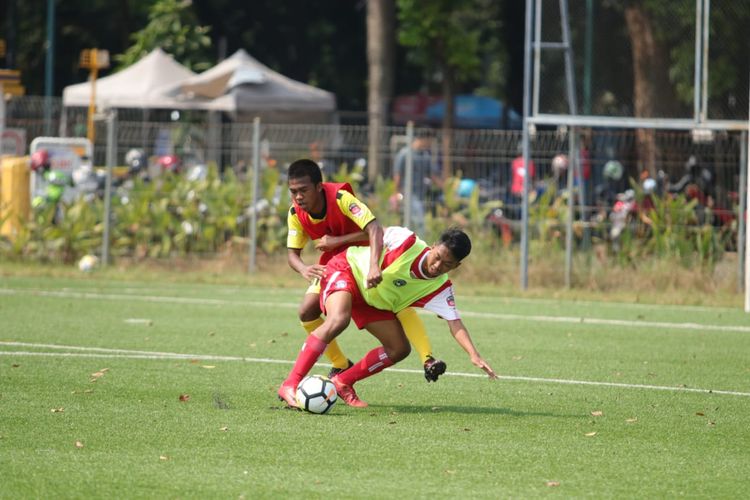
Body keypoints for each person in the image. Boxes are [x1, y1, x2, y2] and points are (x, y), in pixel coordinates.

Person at [278, 226, 498, 409]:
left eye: (447, 264)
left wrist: (473, 355)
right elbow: (372, 233)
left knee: (399, 349)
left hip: (371, 301)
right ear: (432, 247)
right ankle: (291, 384)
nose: (437, 266)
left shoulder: (441, 288)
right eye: (437, 257)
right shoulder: (406, 241)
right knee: (339, 320)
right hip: (348, 269)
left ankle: (342, 382)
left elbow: (455, 322)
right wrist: (340, 242)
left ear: (457, 266)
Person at [285, 159, 448, 383]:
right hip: (335, 263)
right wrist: (303, 269)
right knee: (307, 312)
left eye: (303, 190)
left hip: (369, 255)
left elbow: (374, 230)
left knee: (397, 302)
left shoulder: (342, 199)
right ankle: (341, 365)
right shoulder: (295, 213)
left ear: (318, 187)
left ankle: (427, 358)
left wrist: (344, 245)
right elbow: (292, 254)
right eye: (293, 192)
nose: (298, 197)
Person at [392, 137, 442, 237]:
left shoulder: (425, 155)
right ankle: (421, 244)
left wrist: (443, 187)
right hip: (407, 194)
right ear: (419, 139)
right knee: (419, 221)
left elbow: (432, 175)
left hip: (421, 195)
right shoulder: (404, 154)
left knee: (408, 222)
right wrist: (396, 194)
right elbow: (397, 175)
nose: (428, 144)